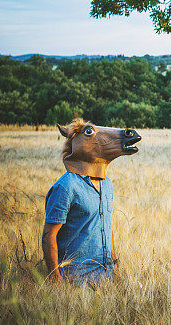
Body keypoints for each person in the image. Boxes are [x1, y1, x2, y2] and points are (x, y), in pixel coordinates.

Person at [42, 119, 141, 285]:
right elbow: (49, 235)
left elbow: (105, 227)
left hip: (106, 276)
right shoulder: (66, 186)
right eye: (88, 132)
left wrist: (115, 269)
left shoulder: (107, 183)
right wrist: (55, 280)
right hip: (76, 279)